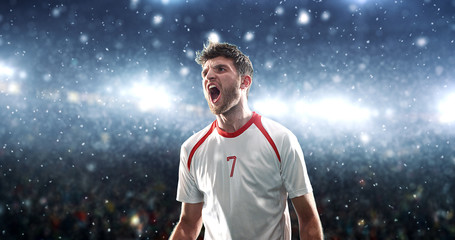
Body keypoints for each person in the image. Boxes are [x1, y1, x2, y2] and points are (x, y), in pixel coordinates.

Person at [170, 42, 323, 240]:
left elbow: (309, 219)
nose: (208, 76)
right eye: (205, 72)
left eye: (221, 69)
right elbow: (188, 224)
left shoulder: (280, 139)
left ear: (245, 82)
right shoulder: (191, 148)